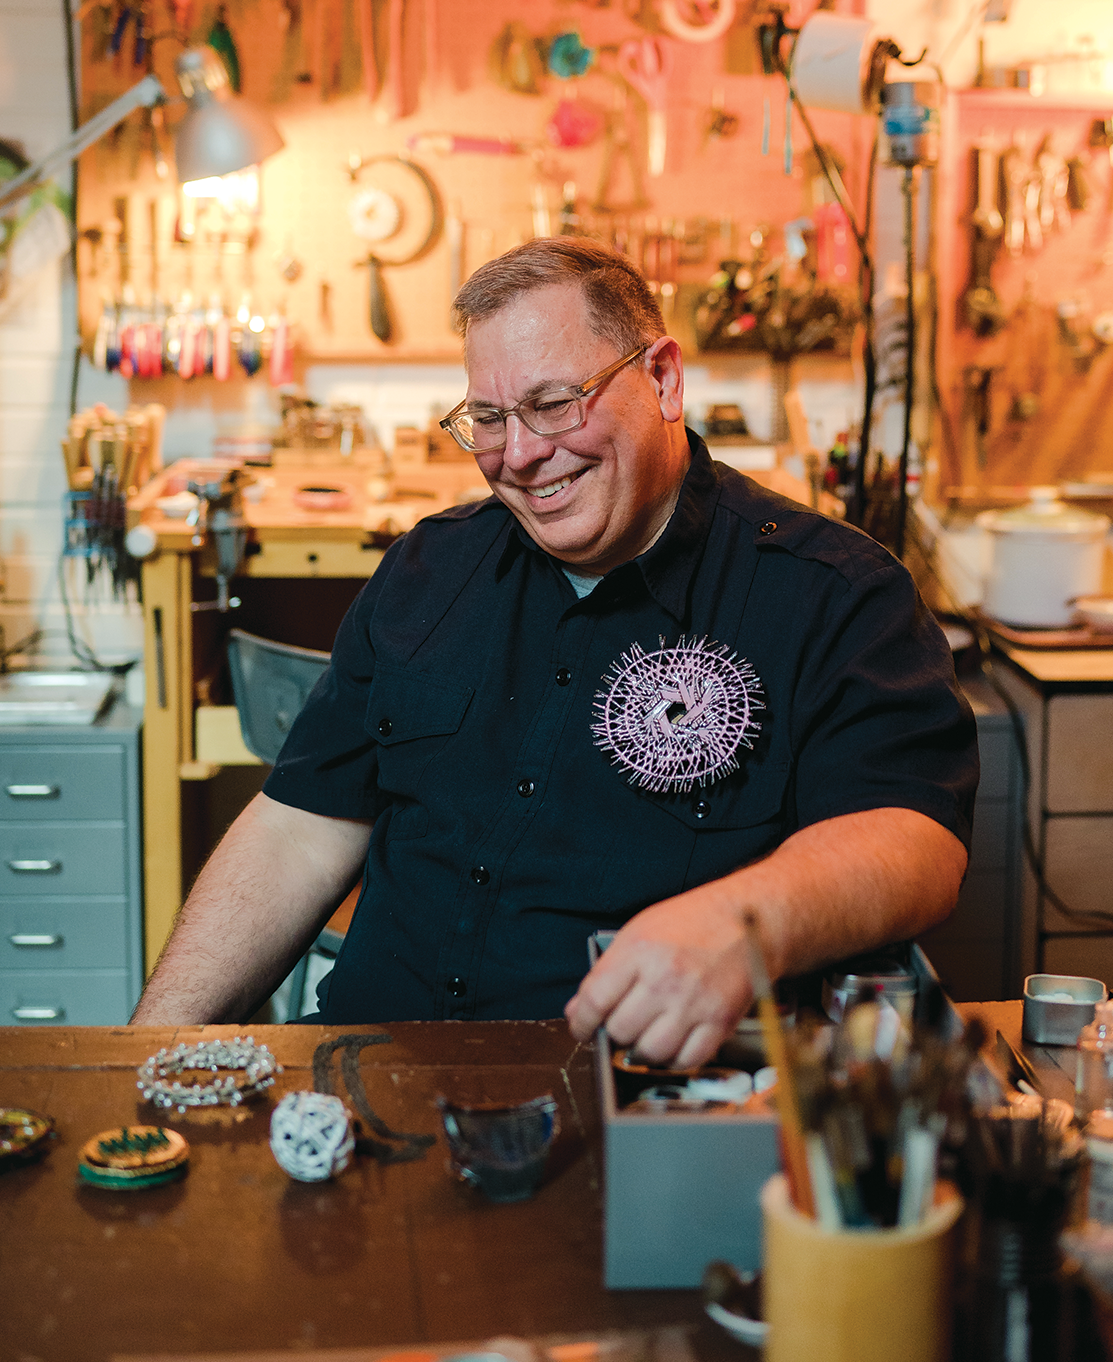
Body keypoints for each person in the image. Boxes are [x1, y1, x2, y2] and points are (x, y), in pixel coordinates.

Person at [132, 238, 978, 1068]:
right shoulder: (428, 571)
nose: (522, 454)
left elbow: (914, 840)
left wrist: (744, 923)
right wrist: (141, 1052)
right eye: (490, 419)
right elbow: (298, 833)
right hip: (377, 1078)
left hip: (633, 1103)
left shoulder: (828, 590)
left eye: (553, 403)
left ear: (664, 379)